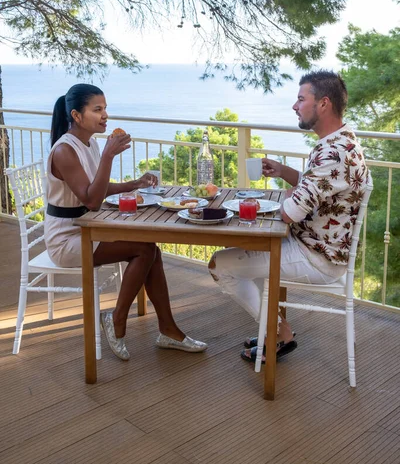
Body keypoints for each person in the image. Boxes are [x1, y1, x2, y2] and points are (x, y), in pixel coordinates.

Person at [208, 70, 369, 364]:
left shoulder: (331, 153)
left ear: (323, 104)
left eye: (300, 99)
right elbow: (318, 189)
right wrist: (284, 172)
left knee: (220, 265)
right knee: (249, 260)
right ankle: (275, 330)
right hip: (320, 247)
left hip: (316, 257)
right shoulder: (342, 142)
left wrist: (286, 200)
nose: (295, 106)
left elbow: (289, 212)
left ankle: (279, 333)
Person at [44, 83, 207, 361]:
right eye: (97, 109)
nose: (105, 115)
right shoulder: (64, 151)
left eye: (105, 108)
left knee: (150, 248)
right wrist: (108, 155)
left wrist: (135, 183)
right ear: (77, 115)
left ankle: (167, 329)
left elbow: (97, 187)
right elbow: (92, 200)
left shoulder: (88, 143)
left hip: (88, 229)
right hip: (66, 239)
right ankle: (117, 320)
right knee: (144, 250)